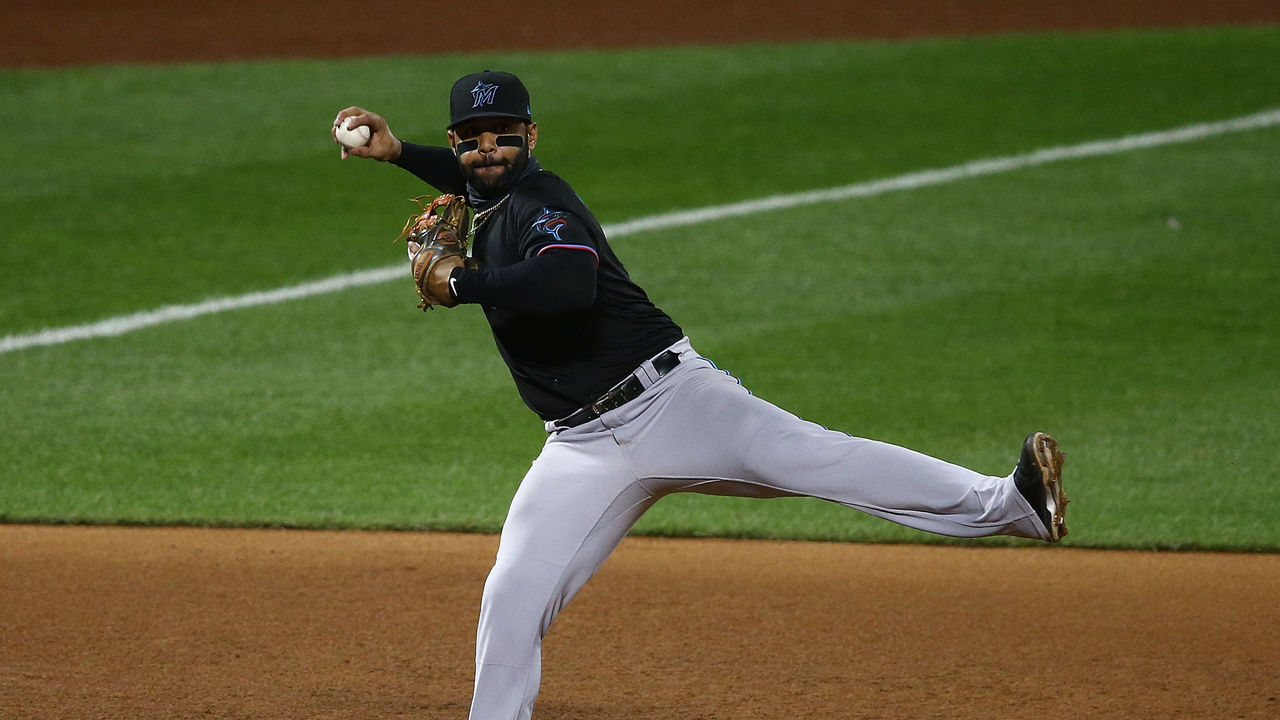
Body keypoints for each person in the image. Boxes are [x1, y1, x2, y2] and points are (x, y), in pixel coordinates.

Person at [333, 70, 1068, 720]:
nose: (486, 148)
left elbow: (568, 281)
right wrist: (397, 152)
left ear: (532, 135)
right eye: (469, 137)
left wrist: (462, 282)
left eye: (502, 135)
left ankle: (1012, 505)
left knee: (822, 460)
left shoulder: (541, 200)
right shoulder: (481, 186)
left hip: (676, 403)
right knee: (514, 592)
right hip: (581, 447)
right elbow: (466, 177)